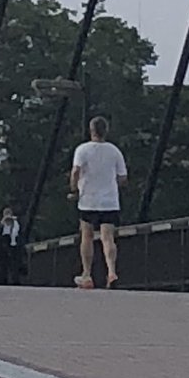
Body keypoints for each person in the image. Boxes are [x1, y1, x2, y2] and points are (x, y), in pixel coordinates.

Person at [70, 115, 128, 289]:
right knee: (107, 237)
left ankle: (87, 274)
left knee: (87, 237)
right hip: (109, 201)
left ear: (91, 130)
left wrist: (74, 189)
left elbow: (75, 171)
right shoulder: (114, 151)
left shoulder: (82, 149)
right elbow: (123, 177)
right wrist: (111, 185)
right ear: (106, 131)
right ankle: (111, 271)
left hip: (88, 199)